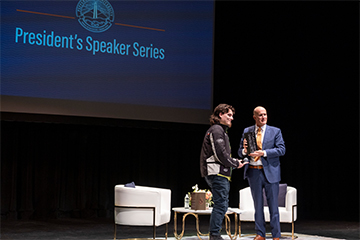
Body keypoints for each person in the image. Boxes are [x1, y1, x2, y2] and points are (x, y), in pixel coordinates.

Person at [200, 103, 248, 240]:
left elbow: (221, 154)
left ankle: (215, 233)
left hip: (219, 172)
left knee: (222, 204)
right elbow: (220, 153)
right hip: (217, 173)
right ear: (220, 114)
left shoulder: (220, 130)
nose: (232, 118)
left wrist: (234, 162)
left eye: (232, 115)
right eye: (229, 115)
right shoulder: (216, 130)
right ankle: (214, 235)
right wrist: (234, 163)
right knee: (221, 204)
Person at [238, 106, 286, 240]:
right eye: (260, 115)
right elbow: (240, 150)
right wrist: (244, 151)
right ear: (254, 117)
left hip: (271, 173)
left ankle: (276, 235)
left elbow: (281, 149)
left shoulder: (275, 131)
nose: (263, 117)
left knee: (273, 206)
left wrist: (264, 153)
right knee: (257, 205)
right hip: (254, 172)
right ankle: (260, 234)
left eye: (265, 114)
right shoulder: (247, 131)